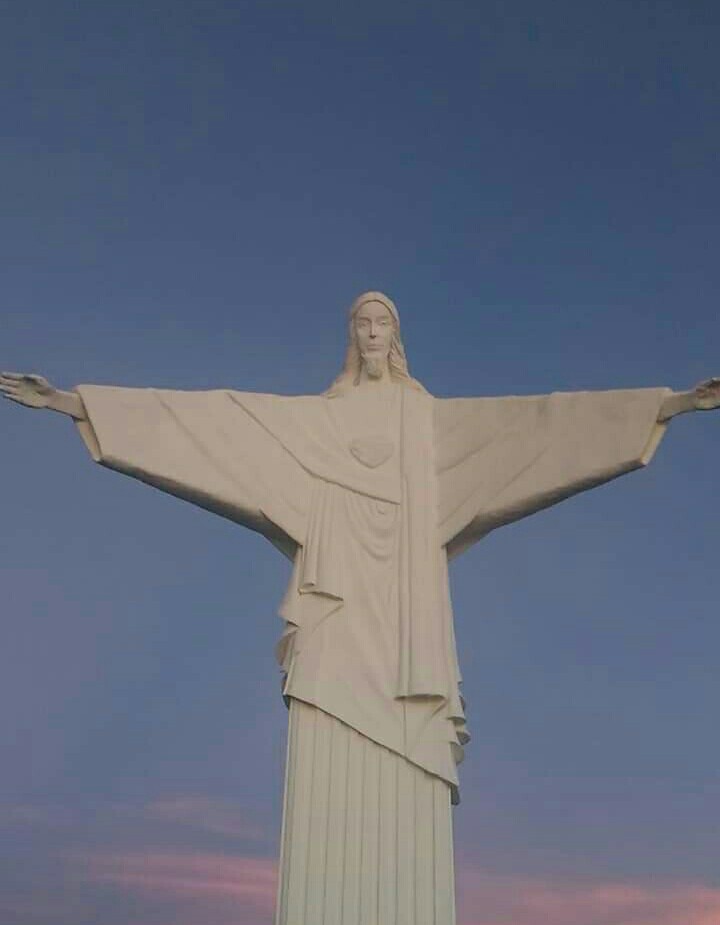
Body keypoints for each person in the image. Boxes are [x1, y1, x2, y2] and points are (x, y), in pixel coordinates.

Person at [2, 292, 718, 925]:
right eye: (363, 323)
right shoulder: (313, 425)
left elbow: (541, 427)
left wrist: (671, 404)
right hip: (335, 599)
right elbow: (210, 425)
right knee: (322, 723)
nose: (373, 332)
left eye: (383, 323)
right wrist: (72, 402)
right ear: (353, 336)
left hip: (407, 613)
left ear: (395, 337)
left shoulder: (428, 425)